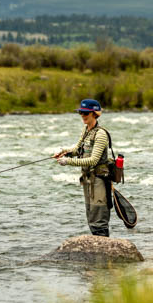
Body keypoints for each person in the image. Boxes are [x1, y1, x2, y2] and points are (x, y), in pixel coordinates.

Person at [54, 99, 113, 237]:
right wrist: (64, 151)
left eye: (86, 113)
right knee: (91, 215)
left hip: (99, 179)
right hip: (87, 179)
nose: (82, 115)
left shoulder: (101, 134)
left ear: (94, 114)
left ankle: (104, 249)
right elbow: (77, 149)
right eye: (81, 112)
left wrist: (67, 161)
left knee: (99, 218)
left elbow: (93, 160)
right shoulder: (86, 130)